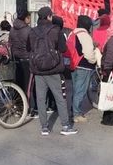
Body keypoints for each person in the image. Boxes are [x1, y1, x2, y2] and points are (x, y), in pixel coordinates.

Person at [28, 7, 76, 136]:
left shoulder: (32, 31)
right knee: (59, 97)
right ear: (49, 16)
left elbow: (29, 48)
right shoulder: (56, 30)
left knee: (41, 98)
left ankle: (44, 127)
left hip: (38, 69)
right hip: (54, 69)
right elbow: (63, 48)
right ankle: (65, 126)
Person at [68, 15, 100, 123]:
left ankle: (74, 111)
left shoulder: (73, 33)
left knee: (76, 89)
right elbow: (88, 54)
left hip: (73, 65)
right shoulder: (84, 35)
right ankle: (76, 114)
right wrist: (94, 60)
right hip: (84, 67)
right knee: (80, 90)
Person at [9, 9, 35, 117]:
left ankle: (18, 108)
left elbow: (10, 43)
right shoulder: (28, 30)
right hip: (27, 60)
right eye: (29, 17)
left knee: (17, 85)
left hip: (16, 60)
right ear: (26, 18)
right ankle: (27, 109)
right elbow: (33, 46)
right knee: (27, 86)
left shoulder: (12, 29)